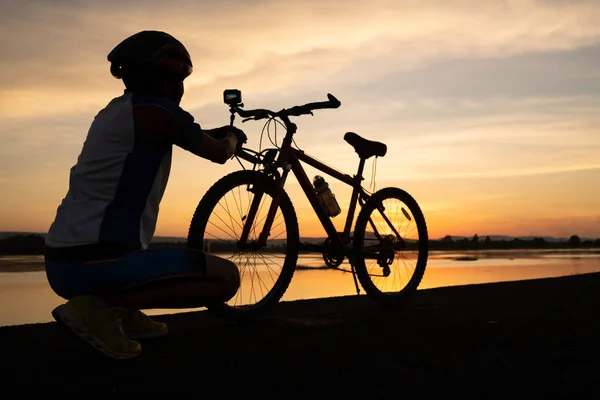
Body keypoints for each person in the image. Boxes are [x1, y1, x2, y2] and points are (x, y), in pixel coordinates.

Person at [44, 30, 246, 360]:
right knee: (226, 279)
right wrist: (235, 135)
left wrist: (213, 135)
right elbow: (221, 151)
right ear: (169, 78)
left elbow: (186, 133)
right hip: (97, 263)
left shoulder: (118, 110)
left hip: (64, 263)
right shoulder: (158, 111)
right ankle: (104, 307)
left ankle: (120, 311)